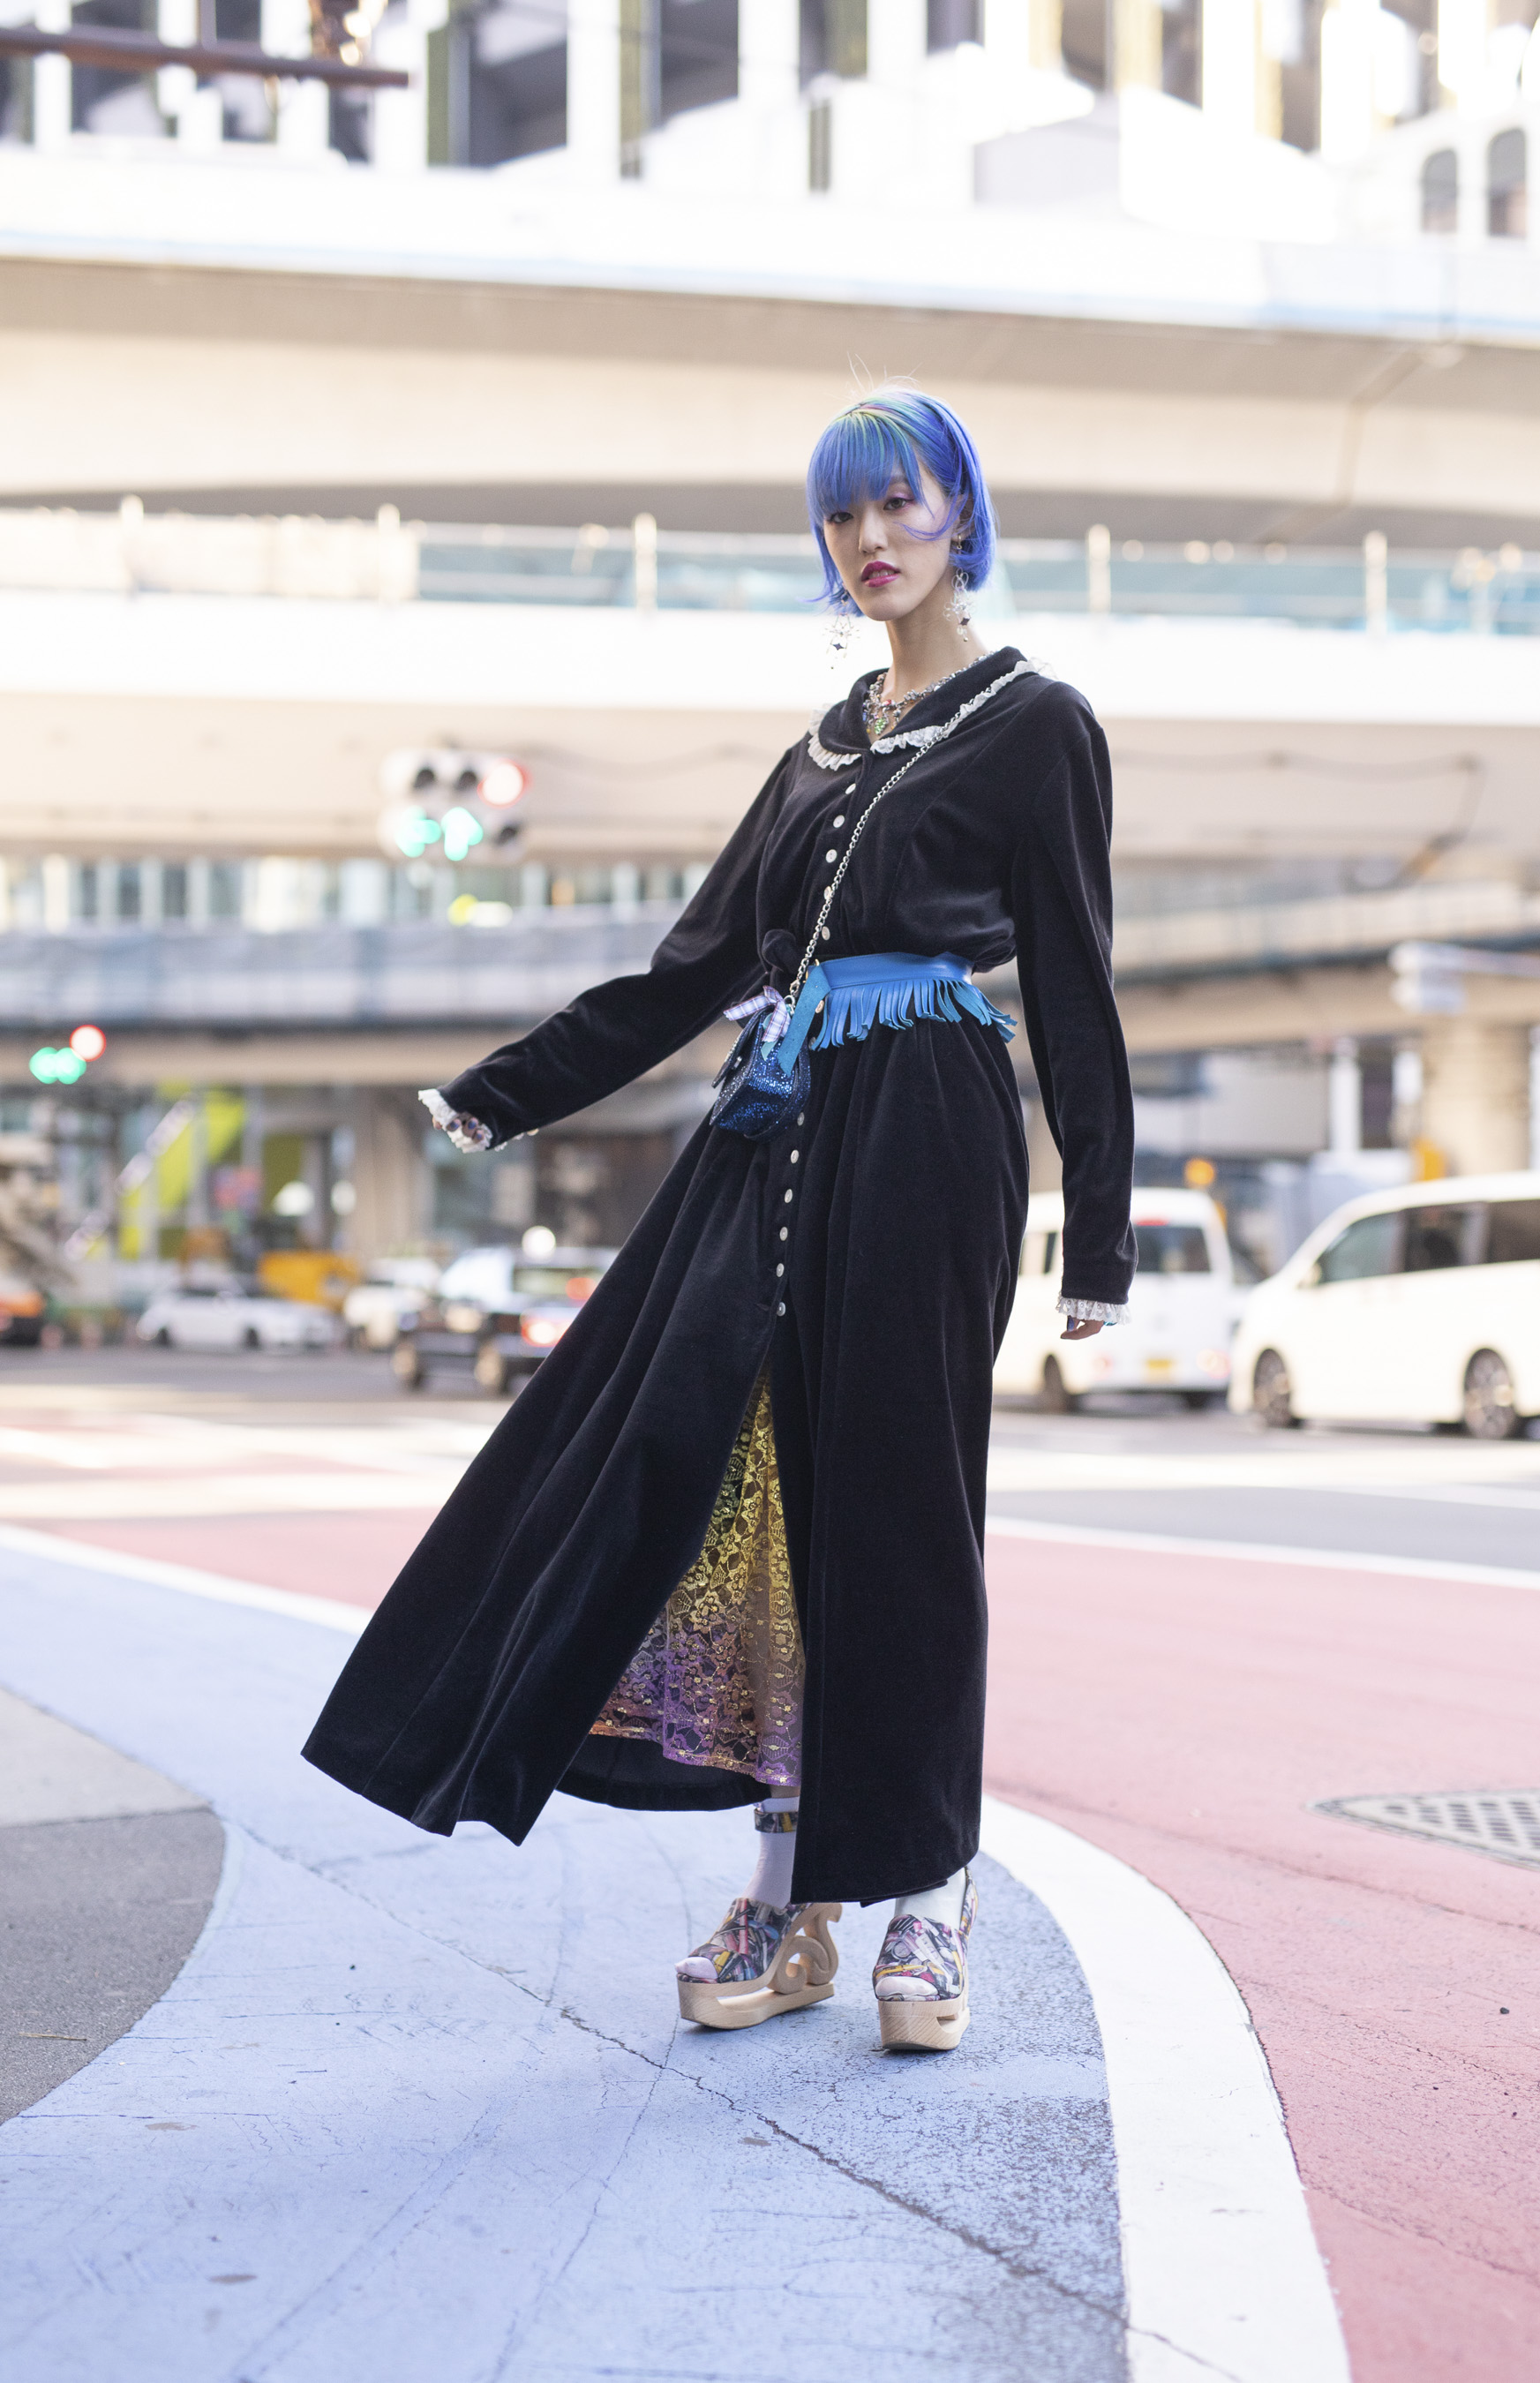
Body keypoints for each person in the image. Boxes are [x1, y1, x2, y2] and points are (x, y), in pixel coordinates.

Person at [303, 387, 1135, 2054]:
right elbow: (691, 973)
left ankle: (928, 1889)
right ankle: (790, 1885)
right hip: (775, 1131)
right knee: (704, 1472)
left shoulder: (1039, 723)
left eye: (900, 503)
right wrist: (506, 1092)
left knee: (901, 1506)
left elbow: (1075, 982)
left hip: (929, 1125)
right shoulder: (816, 751)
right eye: (844, 513)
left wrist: (1099, 1236)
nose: (872, 538)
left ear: (961, 516)